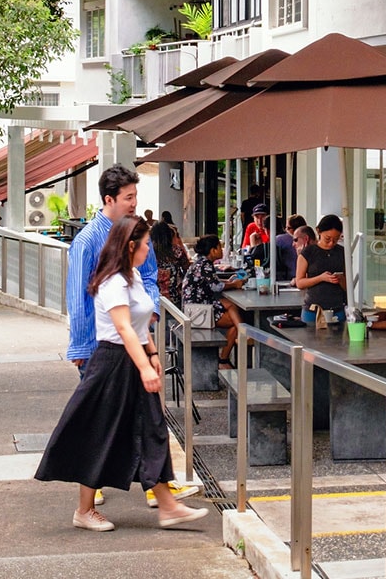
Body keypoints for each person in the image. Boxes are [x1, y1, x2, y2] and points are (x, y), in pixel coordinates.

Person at [36, 214, 209, 532]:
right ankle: (85, 510)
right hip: (112, 363)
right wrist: (145, 365)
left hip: (132, 359)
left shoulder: (132, 276)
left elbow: (142, 324)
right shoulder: (113, 281)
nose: (149, 249)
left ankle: (168, 506)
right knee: (99, 434)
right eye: (145, 244)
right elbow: (123, 328)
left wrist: (153, 354)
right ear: (131, 246)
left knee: (150, 429)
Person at [65, 165, 196, 509]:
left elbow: (148, 277)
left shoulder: (138, 234)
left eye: (136, 196)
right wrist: (80, 346)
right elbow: (79, 298)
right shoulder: (88, 240)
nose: (135, 203)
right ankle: (91, 499)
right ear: (109, 199)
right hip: (103, 346)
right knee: (102, 423)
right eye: (128, 197)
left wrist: (148, 312)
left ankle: (159, 492)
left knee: (144, 420)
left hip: (133, 341)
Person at [181, 235, 247, 366]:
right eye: (219, 247)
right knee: (232, 314)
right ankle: (241, 338)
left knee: (231, 309)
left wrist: (228, 282)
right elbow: (215, 286)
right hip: (197, 311)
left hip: (198, 305)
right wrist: (234, 284)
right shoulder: (205, 264)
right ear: (213, 250)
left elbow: (211, 282)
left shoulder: (201, 262)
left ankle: (240, 336)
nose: (222, 250)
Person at [295, 214, 347, 325]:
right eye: (327, 238)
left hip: (337, 309)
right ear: (318, 231)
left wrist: (341, 279)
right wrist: (321, 278)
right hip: (313, 309)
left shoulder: (342, 253)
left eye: (336, 239)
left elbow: (348, 287)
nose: (331, 243)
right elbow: (299, 283)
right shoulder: (308, 253)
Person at [273, 215, 306, 283]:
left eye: (288, 228)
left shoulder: (280, 240)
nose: (285, 230)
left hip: (287, 278)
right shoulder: (311, 242)